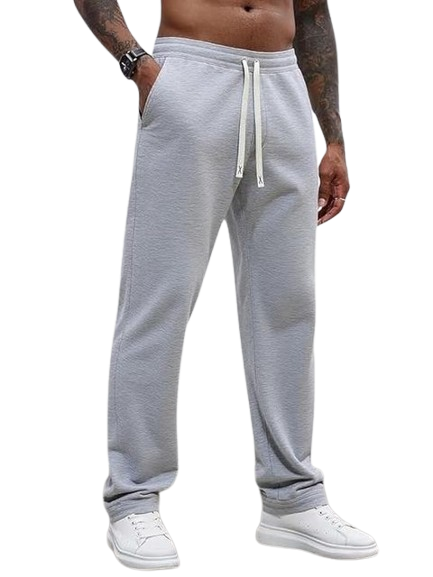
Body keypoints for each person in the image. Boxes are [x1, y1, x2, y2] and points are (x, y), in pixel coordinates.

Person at [73, 0, 379, 569]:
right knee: (158, 301)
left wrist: (334, 137)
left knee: (288, 305)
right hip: (190, 78)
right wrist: (138, 64)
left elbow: (313, 14)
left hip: (284, 88)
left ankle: (291, 496)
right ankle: (135, 498)